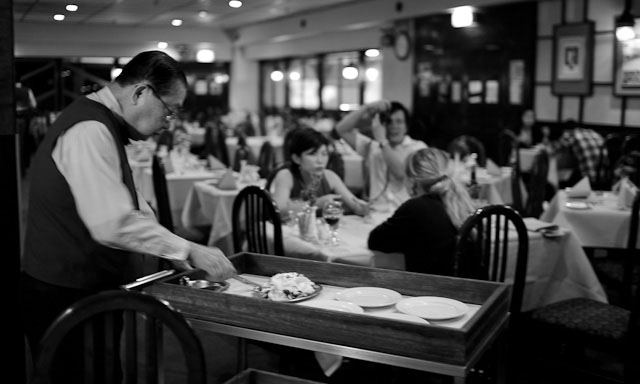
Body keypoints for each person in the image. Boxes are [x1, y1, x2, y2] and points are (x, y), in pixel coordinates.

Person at [21, 51, 236, 371]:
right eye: (169, 111)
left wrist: (175, 250)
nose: (169, 123)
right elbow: (112, 221)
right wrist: (188, 247)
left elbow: (130, 202)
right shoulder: (89, 129)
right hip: (67, 291)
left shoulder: (100, 123)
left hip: (82, 289)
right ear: (141, 92)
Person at [368, 147, 475, 275]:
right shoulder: (461, 202)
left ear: (412, 181)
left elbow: (376, 241)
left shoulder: (416, 208)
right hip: (474, 287)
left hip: (437, 290)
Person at [335, 100, 427, 210]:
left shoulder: (418, 147)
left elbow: (401, 173)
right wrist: (366, 107)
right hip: (375, 211)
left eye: (399, 122)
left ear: (406, 127)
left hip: (404, 213)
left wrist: (383, 141)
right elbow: (341, 129)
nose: (393, 126)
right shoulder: (373, 146)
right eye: (389, 122)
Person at [271, 126, 368, 218]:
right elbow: (278, 212)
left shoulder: (330, 177)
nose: (320, 160)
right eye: (312, 154)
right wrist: (316, 203)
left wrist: (369, 207)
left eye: (324, 154)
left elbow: (355, 205)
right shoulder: (286, 176)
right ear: (296, 158)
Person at [543, 119, 605, 185]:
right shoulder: (593, 133)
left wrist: (545, 139)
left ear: (566, 130)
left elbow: (551, 149)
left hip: (588, 179)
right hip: (604, 176)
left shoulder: (572, 134)